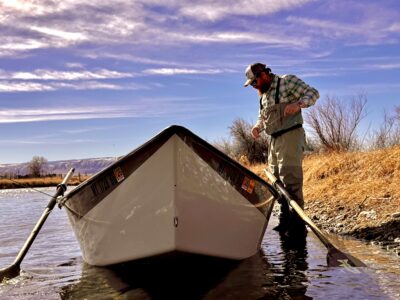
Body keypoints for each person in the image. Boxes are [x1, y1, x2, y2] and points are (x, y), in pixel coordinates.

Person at [244, 63, 319, 235]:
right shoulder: (263, 97)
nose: (254, 87)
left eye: (254, 83)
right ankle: (285, 219)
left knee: (290, 178)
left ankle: (298, 225)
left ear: (263, 75)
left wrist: (299, 104)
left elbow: (313, 93)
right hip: (274, 140)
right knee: (276, 181)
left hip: (291, 135)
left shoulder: (287, 81)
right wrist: (257, 127)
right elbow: (262, 118)